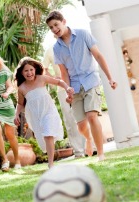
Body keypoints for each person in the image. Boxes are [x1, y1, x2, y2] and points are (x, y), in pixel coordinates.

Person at [46, 11, 117, 161]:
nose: (54, 29)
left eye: (56, 25)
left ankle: (101, 154)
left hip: (91, 80)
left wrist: (110, 78)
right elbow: (64, 73)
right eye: (51, 27)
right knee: (81, 126)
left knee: (92, 117)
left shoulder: (83, 35)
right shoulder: (57, 48)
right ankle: (89, 139)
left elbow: (98, 56)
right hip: (74, 86)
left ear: (64, 21)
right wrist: (68, 91)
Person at [14, 57, 74, 168]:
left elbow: (59, 82)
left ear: (35, 69)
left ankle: (50, 164)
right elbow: (20, 103)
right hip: (35, 115)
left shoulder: (41, 79)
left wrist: (67, 88)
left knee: (48, 134)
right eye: (26, 71)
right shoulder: (21, 88)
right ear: (21, 73)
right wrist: (16, 114)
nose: (29, 73)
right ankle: (51, 157)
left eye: (31, 69)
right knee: (44, 138)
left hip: (48, 110)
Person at [42, 44, 85, 158]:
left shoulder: (73, 46)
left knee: (84, 116)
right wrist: (54, 78)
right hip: (62, 89)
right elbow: (43, 69)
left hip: (79, 84)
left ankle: (91, 146)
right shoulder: (50, 50)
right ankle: (79, 151)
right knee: (70, 119)